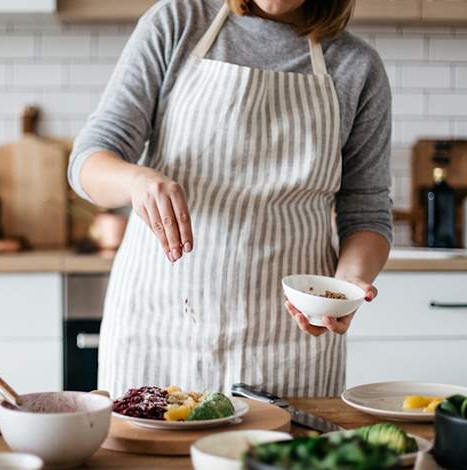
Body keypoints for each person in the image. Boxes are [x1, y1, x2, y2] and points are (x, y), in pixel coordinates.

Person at [68, 0, 392, 397]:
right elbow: (89, 161)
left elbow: (367, 212)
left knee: (281, 459)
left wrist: (346, 287)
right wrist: (135, 181)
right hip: (162, 329)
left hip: (290, 341)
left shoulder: (356, 65)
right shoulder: (178, 23)